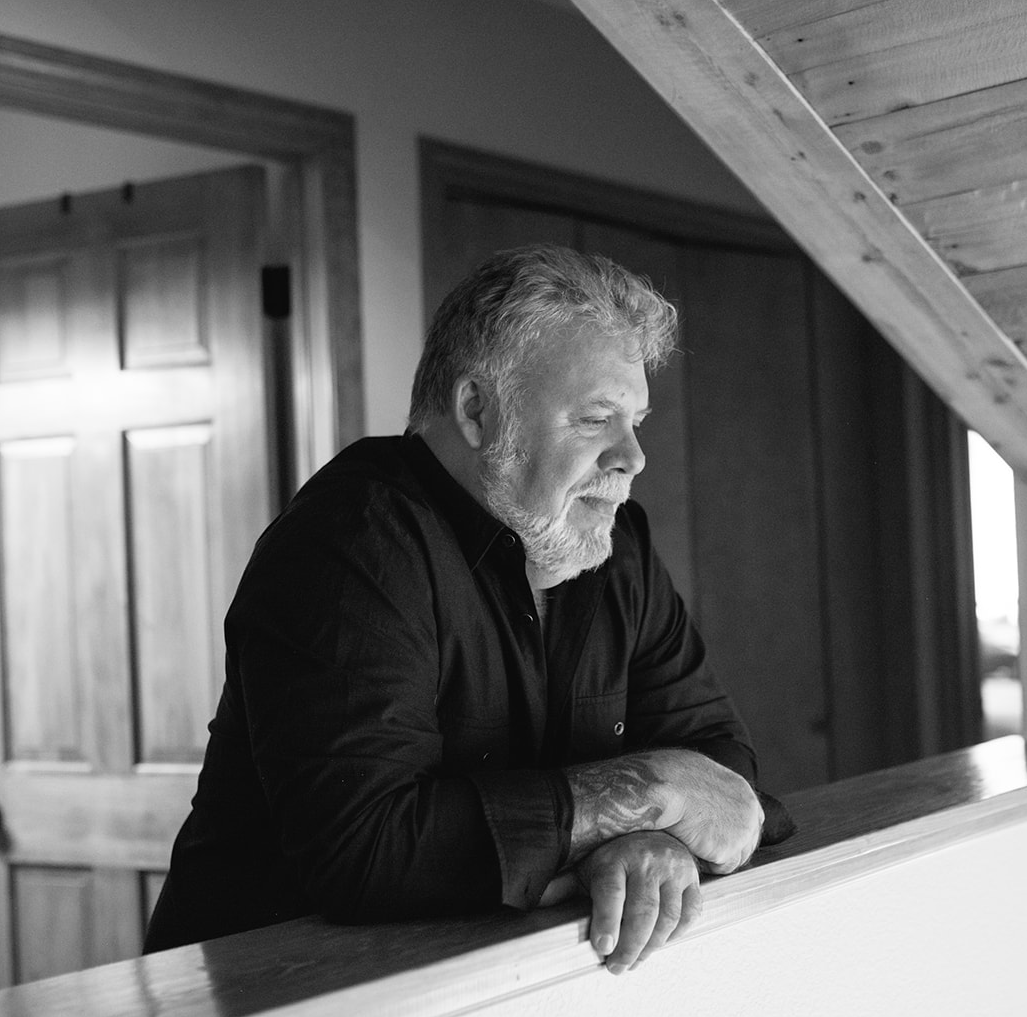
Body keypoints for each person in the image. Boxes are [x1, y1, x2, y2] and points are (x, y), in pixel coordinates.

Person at [145, 244, 790, 974]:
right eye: (595, 419)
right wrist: (652, 794)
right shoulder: (350, 543)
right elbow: (367, 847)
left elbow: (720, 766)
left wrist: (655, 837)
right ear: (478, 411)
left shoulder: (618, 545)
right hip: (267, 1011)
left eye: (636, 419)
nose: (633, 456)